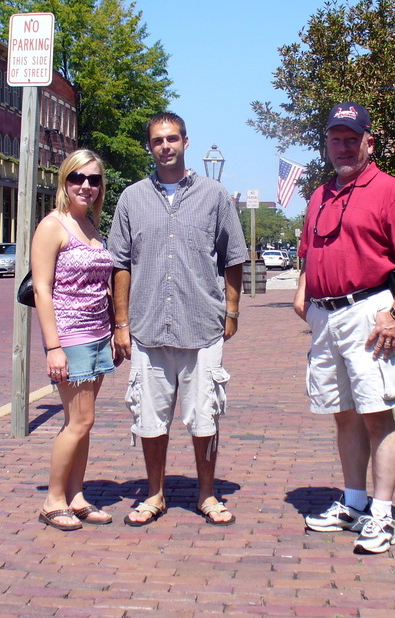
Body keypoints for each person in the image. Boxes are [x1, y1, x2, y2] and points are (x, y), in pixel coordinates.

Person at [293, 102, 395, 555]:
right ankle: (353, 503)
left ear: (370, 142)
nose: (344, 146)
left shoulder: (392, 191)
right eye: (336, 138)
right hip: (325, 316)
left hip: (370, 313)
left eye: (352, 138)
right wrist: (303, 292)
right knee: (344, 414)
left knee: (377, 415)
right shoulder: (320, 194)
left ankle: (382, 515)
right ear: (326, 143)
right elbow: (309, 250)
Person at [109, 112, 248, 527]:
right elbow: (120, 264)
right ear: (149, 147)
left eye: (172, 139)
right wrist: (121, 323)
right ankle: (155, 495)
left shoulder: (214, 195)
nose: (165, 146)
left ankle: (207, 495)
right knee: (150, 419)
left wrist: (233, 310)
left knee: (204, 416)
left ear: (186, 142)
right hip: (148, 329)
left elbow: (234, 257)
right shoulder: (132, 198)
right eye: (157, 140)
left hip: (202, 326)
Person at [31, 148, 119, 531]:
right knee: (80, 421)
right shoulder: (54, 226)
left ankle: (76, 495)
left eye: (94, 180)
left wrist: (116, 328)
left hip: (98, 333)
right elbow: (42, 290)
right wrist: (54, 347)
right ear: (64, 181)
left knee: (81, 421)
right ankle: (53, 500)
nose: (86, 186)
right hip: (72, 336)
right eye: (77, 178)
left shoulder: (91, 226)